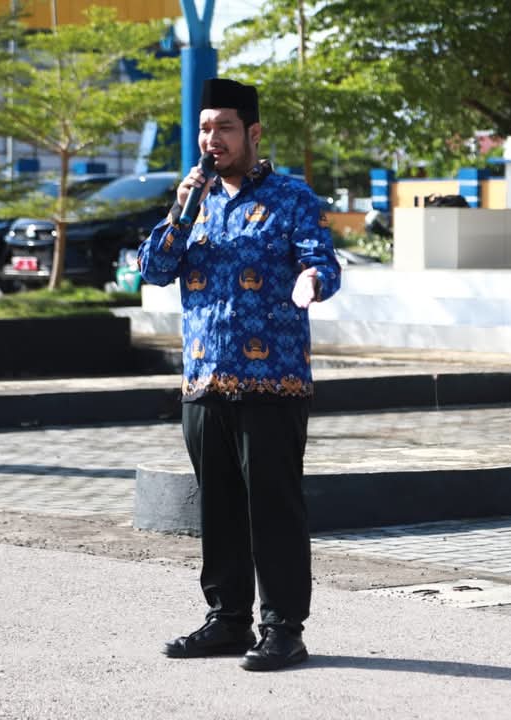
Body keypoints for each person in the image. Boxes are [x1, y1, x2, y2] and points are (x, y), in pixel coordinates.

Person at [138, 78, 341, 672]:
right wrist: (180, 209)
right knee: (219, 510)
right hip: (204, 380)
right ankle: (227, 620)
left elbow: (322, 261)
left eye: (224, 127)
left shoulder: (291, 197)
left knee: (273, 510)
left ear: (252, 133)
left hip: (272, 381)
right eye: (205, 128)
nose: (213, 139)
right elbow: (154, 269)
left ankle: (283, 628)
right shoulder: (195, 201)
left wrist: (312, 282)